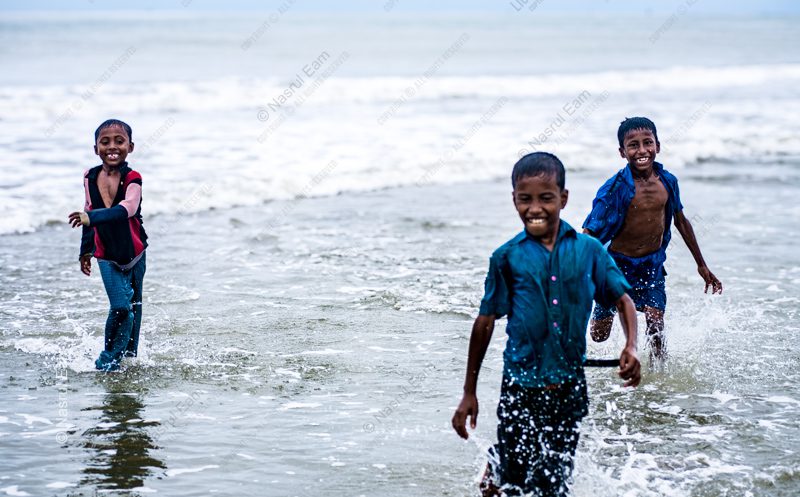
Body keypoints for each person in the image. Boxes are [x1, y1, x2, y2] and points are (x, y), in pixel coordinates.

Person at [452, 152, 641, 496]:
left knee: (552, 485)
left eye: (546, 198)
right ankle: (499, 464)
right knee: (515, 484)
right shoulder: (506, 257)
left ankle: (499, 462)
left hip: (568, 390)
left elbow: (622, 299)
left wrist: (630, 345)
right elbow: (485, 322)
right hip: (519, 388)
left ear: (563, 199)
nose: (535, 208)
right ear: (514, 200)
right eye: (525, 199)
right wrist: (469, 392)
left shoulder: (590, 251)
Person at [583, 117, 722, 362]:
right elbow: (589, 233)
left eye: (648, 143)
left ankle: (657, 389)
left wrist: (701, 264)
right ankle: (613, 306)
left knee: (656, 328)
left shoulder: (668, 181)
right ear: (622, 152)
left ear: (658, 145)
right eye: (633, 145)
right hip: (615, 267)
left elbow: (681, 221)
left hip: (652, 265)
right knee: (598, 335)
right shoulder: (613, 189)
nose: (642, 150)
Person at [68, 119, 148, 372]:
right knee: (121, 307)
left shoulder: (133, 178)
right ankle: (107, 361)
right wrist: (86, 250)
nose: (112, 146)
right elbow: (88, 210)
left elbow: (129, 208)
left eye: (119, 141)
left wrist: (91, 218)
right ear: (96, 149)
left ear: (130, 147)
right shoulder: (89, 176)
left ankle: (129, 358)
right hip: (106, 254)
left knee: (135, 306)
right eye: (105, 142)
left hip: (135, 252)